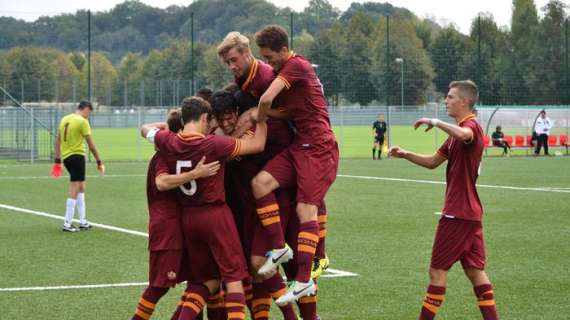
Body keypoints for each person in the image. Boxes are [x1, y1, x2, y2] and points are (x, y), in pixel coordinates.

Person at [141, 96, 268, 320]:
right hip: (214, 215)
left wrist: (164, 128)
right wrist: (261, 119)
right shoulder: (212, 144)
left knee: (206, 281)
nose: (212, 126)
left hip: (189, 219)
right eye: (210, 121)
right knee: (234, 278)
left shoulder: (168, 142)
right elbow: (258, 145)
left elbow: (144, 130)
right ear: (203, 118)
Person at [389, 80, 499, 320]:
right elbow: (432, 162)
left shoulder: (471, 127)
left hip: (456, 214)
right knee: (475, 272)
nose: (446, 101)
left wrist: (435, 122)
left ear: (465, 101)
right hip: (471, 214)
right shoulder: (455, 135)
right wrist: (405, 154)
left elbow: (465, 134)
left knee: (437, 272)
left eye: (450, 97)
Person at [250, 25, 339, 305]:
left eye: (269, 56)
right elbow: (288, 110)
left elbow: (266, 99)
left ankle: (303, 281)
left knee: (305, 210)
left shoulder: (296, 64)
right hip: (300, 145)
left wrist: (259, 116)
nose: (268, 62)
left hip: (320, 147)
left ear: (284, 50)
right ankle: (279, 247)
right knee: (260, 183)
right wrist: (260, 112)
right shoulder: (284, 70)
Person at [132, 109, 221, 320]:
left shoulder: (175, 151)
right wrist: (195, 174)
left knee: (201, 280)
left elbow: (146, 129)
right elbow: (161, 183)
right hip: (168, 231)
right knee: (159, 286)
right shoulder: (166, 155)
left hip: (182, 228)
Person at [52, 100, 104, 232]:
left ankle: (83, 221)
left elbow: (57, 141)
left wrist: (57, 161)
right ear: (85, 109)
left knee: (81, 187)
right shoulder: (82, 121)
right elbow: (91, 145)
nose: (89, 116)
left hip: (67, 158)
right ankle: (67, 223)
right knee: (75, 188)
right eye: (89, 112)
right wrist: (99, 161)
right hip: (77, 157)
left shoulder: (65, 119)